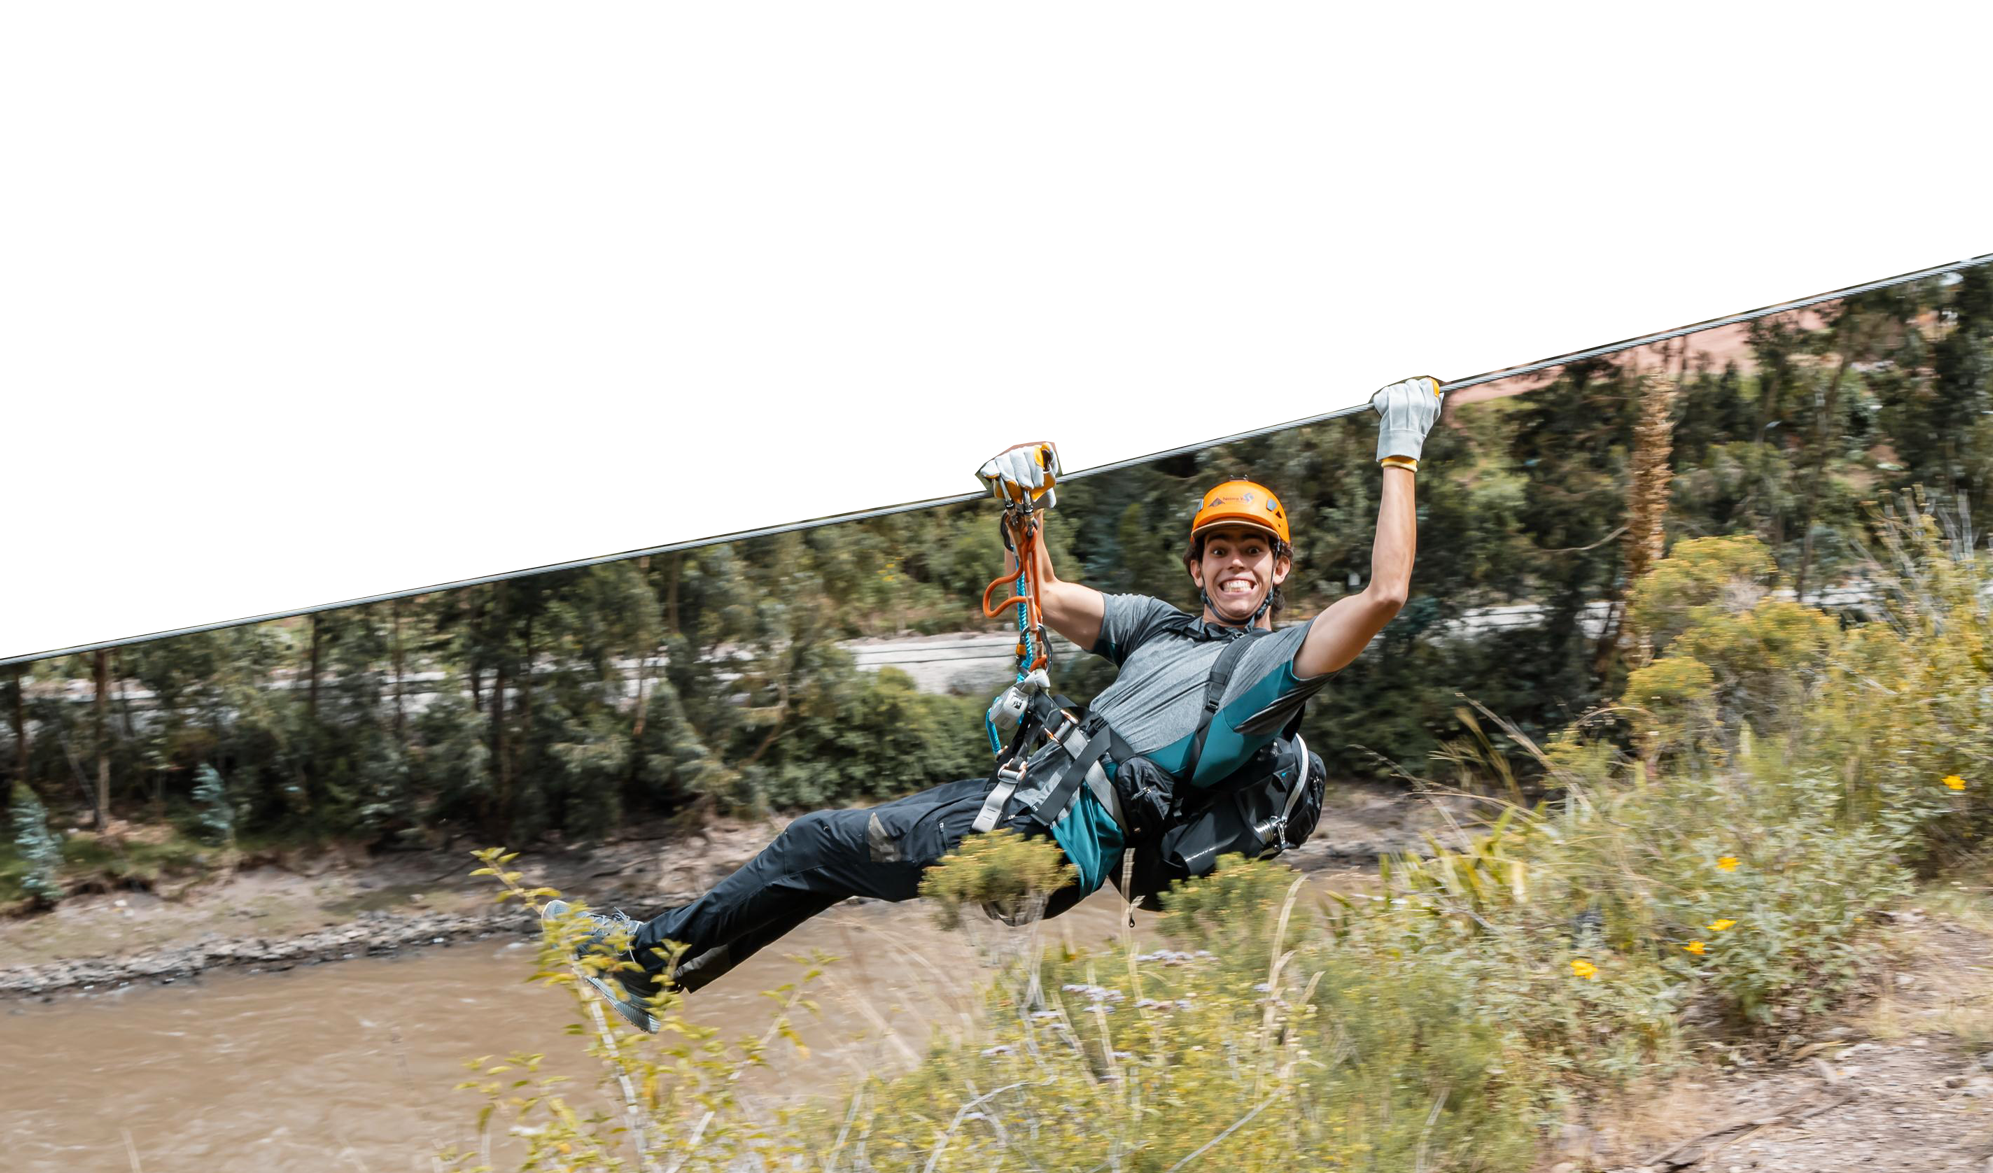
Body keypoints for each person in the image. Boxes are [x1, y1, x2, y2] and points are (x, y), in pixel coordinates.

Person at [546, 377, 1445, 1032]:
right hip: (1016, 805)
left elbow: (1385, 593)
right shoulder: (1157, 627)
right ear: (1198, 564)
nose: (1236, 562)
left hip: (1048, 842)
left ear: (1280, 568)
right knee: (814, 852)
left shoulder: (1280, 666)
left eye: (1255, 550)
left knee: (816, 843)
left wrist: (1398, 450)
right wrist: (1026, 509)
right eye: (1220, 548)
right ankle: (659, 975)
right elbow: (1044, 596)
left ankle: (645, 957)